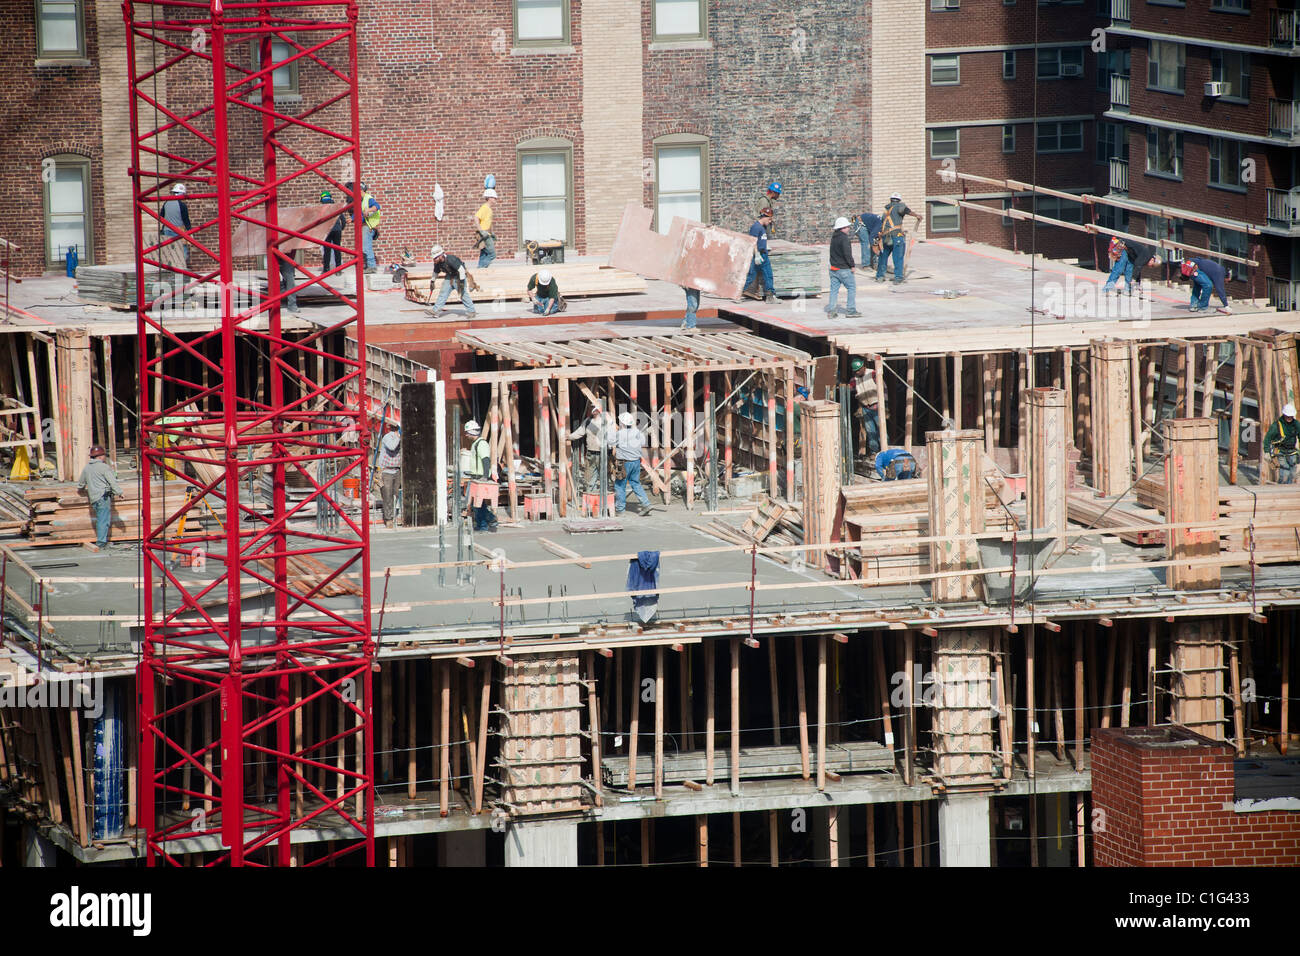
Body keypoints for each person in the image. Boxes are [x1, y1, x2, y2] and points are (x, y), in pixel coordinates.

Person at [78, 445, 122, 551]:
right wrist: (119, 492)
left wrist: (82, 490)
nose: (104, 457)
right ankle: (101, 542)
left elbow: (80, 484)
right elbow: (112, 482)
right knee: (103, 520)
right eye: (103, 455)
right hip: (103, 497)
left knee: (100, 519)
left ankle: (101, 540)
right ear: (100, 456)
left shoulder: (87, 468)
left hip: (94, 498)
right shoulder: (104, 467)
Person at [875, 192, 922, 284]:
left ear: (890, 200)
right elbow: (905, 210)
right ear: (899, 200)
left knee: (883, 257)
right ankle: (898, 278)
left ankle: (880, 276)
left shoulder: (886, 210)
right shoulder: (899, 206)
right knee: (898, 257)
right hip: (896, 236)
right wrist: (917, 215)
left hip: (885, 237)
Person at [613, 412, 653, 516]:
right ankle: (646, 503)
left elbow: (610, 443)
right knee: (635, 483)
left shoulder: (620, 434)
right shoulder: (638, 432)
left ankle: (620, 510)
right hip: (636, 462)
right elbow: (643, 443)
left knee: (619, 485)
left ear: (622, 423)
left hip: (624, 463)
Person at [462, 419, 498, 531]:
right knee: (478, 504)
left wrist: (485, 476)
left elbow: (486, 460)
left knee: (478, 504)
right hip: (476, 477)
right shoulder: (476, 444)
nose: (466, 435)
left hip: (481, 477)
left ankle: (488, 520)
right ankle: (483, 524)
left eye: (467, 432)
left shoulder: (481, 444)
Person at [567, 403, 613, 492]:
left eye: (594, 407)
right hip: (590, 453)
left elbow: (612, 431)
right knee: (589, 477)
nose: (593, 409)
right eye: (591, 407)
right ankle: (590, 497)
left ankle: (604, 498)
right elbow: (580, 432)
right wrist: (569, 437)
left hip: (602, 453)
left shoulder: (606, 420)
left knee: (603, 477)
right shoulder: (588, 421)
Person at [160, 183, 191, 300]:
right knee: (182, 257)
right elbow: (186, 220)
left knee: (169, 257)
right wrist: (190, 231)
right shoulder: (181, 205)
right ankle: (180, 279)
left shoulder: (166, 203)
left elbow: (161, 216)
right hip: (179, 232)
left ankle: (170, 278)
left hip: (166, 232)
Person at [427, 244, 476, 318]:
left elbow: (461, 270)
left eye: (436, 257)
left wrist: (462, 283)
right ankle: (435, 311)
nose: (434, 259)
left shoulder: (451, 259)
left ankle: (471, 311)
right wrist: (432, 281)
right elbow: (436, 272)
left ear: (441, 255)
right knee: (443, 293)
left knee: (463, 294)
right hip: (449, 276)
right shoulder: (437, 263)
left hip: (459, 276)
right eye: (434, 258)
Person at [739, 209, 776, 303]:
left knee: (768, 275)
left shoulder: (762, 227)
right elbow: (753, 241)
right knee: (751, 275)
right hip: (758, 255)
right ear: (765, 217)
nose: (770, 221)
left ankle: (770, 297)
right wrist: (757, 254)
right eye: (770, 219)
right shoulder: (756, 227)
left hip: (763, 254)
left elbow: (760, 240)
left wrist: (765, 246)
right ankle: (738, 294)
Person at [826, 217, 860, 318]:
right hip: (843, 269)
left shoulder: (834, 237)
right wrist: (852, 266)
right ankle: (851, 310)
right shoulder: (844, 239)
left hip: (833, 269)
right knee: (851, 287)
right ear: (843, 228)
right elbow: (847, 254)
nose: (849, 228)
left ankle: (831, 311)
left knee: (834, 290)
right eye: (847, 227)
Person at [346, 180, 381, 272]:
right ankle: (367, 266)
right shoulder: (361, 201)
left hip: (369, 226)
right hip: (365, 225)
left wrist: (369, 210)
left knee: (366, 247)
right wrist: (352, 219)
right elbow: (359, 213)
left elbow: (377, 206)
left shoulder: (368, 198)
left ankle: (372, 267)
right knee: (363, 247)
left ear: (361, 190)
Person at [851, 358, 881, 456]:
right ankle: (874, 452)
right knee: (870, 431)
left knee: (881, 430)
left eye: (859, 370)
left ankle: (886, 450)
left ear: (864, 367)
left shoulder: (873, 374)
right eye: (856, 371)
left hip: (877, 406)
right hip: (866, 408)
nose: (858, 372)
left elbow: (883, 389)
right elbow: (850, 389)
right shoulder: (854, 379)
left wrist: (886, 405)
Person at [1264, 403, 1300, 484]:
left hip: (1292, 451)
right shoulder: (1276, 425)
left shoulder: (1296, 424)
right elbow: (1267, 438)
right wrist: (1266, 452)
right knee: (1285, 470)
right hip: (1280, 451)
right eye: (1287, 416)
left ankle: (1289, 489)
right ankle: (1281, 486)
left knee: (1293, 472)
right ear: (1284, 414)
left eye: (1291, 416)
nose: (1289, 418)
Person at [376, 423, 401, 527]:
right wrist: (398, 437)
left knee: (396, 494)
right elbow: (392, 447)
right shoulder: (387, 437)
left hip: (397, 470)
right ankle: (388, 519)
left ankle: (396, 515)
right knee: (387, 496)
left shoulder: (399, 438)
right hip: (387, 471)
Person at [320, 191, 347, 273]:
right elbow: (343, 220)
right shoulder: (336, 207)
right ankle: (338, 269)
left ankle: (326, 269)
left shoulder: (321, 208)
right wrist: (341, 228)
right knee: (337, 250)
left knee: (327, 250)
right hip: (337, 230)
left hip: (327, 230)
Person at [475, 188, 498, 268]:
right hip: (484, 234)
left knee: (484, 253)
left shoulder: (489, 209)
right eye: (494, 198)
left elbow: (489, 222)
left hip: (487, 234)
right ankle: (481, 268)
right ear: (489, 198)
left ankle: (479, 270)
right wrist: (481, 231)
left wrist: (492, 233)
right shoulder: (484, 208)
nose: (495, 199)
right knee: (492, 254)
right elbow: (476, 218)